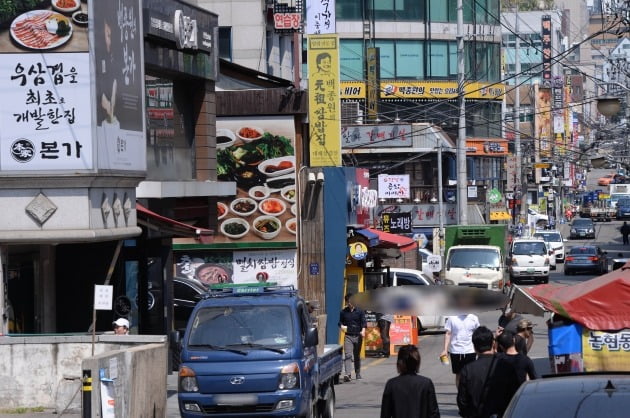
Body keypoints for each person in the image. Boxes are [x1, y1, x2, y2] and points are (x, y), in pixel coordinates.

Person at [457, 326, 520, 418]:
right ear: (493, 344)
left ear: (474, 347)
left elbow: (462, 401)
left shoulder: (468, 370)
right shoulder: (507, 366)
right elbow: (516, 394)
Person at [380, 344, 440, 418]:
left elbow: (385, 414)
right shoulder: (426, 383)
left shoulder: (392, 384)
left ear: (399, 363)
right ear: (417, 362)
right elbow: (433, 413)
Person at [440, 313, 480, 387]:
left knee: (470, 374)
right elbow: (448, 333)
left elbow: (477, 334)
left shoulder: (474, 318)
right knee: (458, 375)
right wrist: (445, 349)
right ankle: (460, 394)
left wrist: (478, 349)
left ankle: (470, 393)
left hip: (470, 351)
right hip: (455, 351)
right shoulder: (452, 317)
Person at [338, 293, 367, 381]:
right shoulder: (343, 312)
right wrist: (342, 326)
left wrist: (363, 331)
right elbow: (340, 322)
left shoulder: (360, 311)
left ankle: (357, 373)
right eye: (349, 302)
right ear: (346, 302)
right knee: (348, 355)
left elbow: (363, 323)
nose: (351, 303)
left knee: (356, 355)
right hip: (348, 336)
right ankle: (348, 374)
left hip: (358, 335)